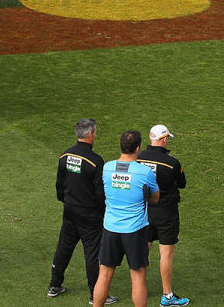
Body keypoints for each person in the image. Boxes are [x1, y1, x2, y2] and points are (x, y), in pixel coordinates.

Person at [47, 119, 116, 305]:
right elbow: (100, 192)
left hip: (69, 209)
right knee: (92, 253)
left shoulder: (65, 155)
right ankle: (96, 295)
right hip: (90, 214)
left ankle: (54, 285)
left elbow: (59, 183)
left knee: (64, 246)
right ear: (90, 134)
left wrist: (64, 199)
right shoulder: (95, 161)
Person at [91, 130, 159, 307]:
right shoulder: (145, 173)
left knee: (104, 275)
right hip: (135, 230)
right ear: (138, 148)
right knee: (137, 277)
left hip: (111, 228)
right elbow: (155, 198)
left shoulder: (107, 167)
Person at [136, 125, 189, 306]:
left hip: (144, 210)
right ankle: (167, 295)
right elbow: (182, 183)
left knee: (144, 249)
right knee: (166, 254)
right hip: (166, 212)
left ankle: (139, 287)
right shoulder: (172, 162)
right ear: (164, 139)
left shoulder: (138, 158)